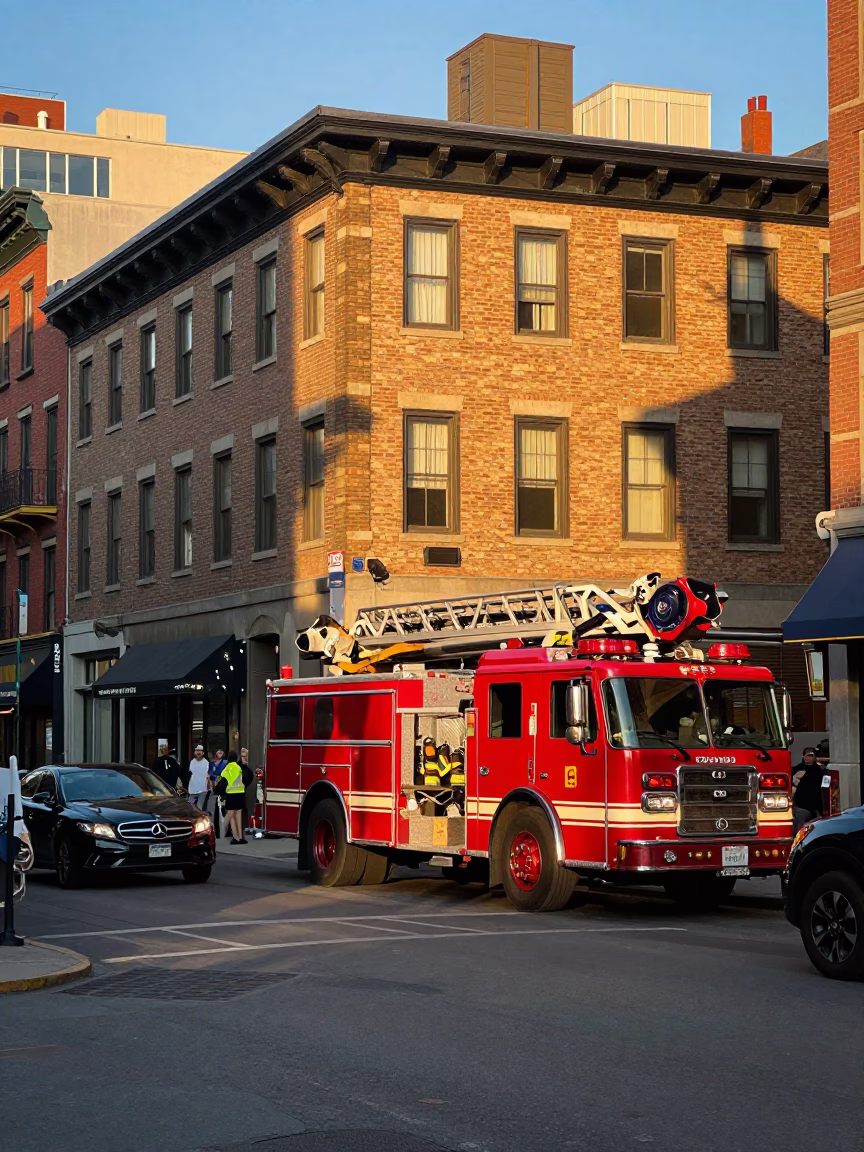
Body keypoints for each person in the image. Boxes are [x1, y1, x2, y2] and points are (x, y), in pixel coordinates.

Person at [215, 752, 248, 844]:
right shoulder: (239, 767)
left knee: (230, 815)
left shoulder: (227, 768)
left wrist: (217, 791)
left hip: (231, 794)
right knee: (238, 815)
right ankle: (240, 837)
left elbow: (223, 781)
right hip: (240, 793)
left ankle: (223, 832)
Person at [792, 746, 824, 832]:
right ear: (803, 756)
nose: (808, 758)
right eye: (806, 755)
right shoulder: (797, 769)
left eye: (810, 756)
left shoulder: (820, 771)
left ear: (814, 757)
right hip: (800, 805)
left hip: (816, 805)